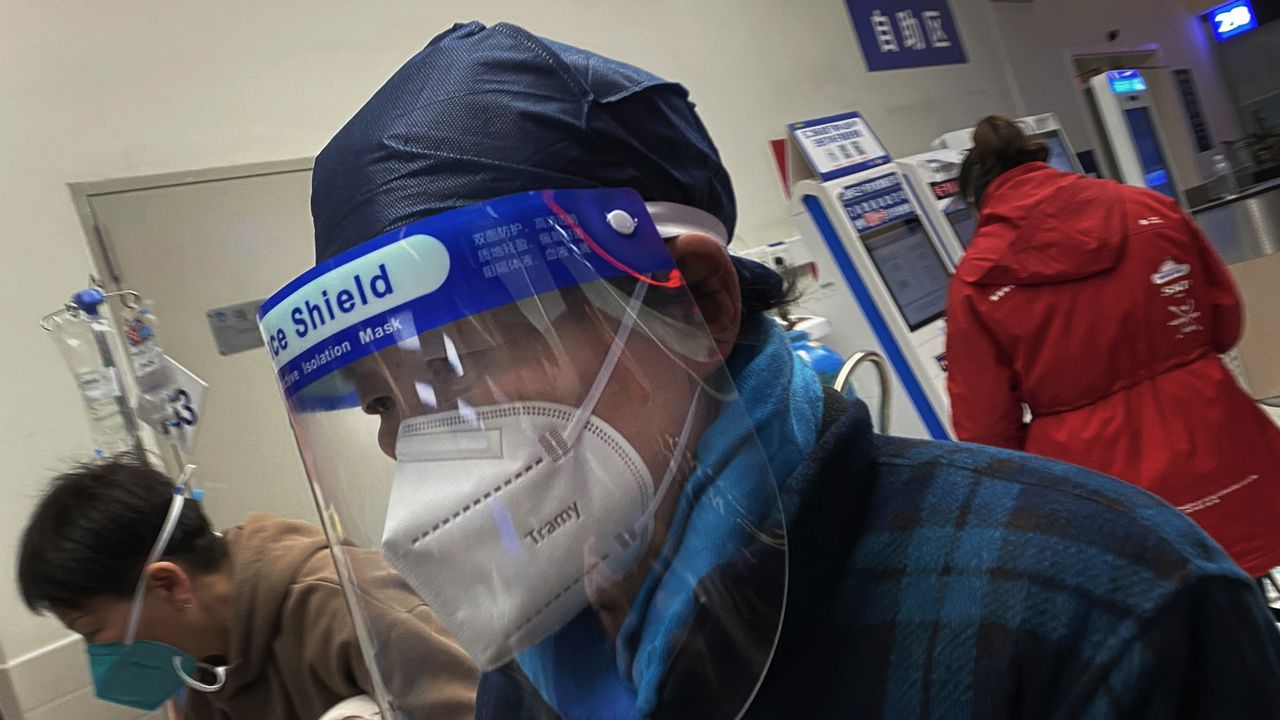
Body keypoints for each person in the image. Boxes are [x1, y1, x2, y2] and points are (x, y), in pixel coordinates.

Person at [260, 22, 1280, 719]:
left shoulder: (1096, 606)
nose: (426, 444)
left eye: (466, 358)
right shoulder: (530, 676)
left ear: (697, 302)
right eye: (387, 402)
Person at [946, 115, 1280, 596]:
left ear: (980, 200)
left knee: (1160, 620)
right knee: (1241, 578)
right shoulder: (1152, 211)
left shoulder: (976, 284)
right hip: (1218, 444)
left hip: (1102, 494)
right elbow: (1224, 323)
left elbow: (986, 436)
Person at [16, 454, 478, 719]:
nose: (100, 658)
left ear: (168, 585)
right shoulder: (202, 671)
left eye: (95, 632)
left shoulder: (353, 611)